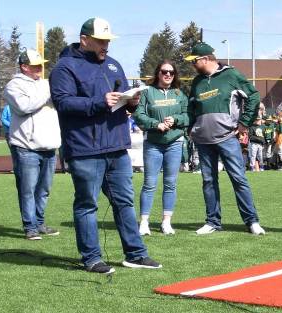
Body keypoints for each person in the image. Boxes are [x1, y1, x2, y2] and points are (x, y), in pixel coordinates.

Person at [50, 17, 161, 273]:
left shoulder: (113, 65)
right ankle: (91, 258)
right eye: (101, 40)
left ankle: (135, 254)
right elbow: (63, 103)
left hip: (116, 146)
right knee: (87, 204)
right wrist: (99, 102)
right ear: (85, 39)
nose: (105, 45)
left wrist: (131, 102)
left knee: (125, 202)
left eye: (108, 41)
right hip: (85, 149)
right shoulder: (64, 68)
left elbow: (119, 100)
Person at [185, 42, 264, 235]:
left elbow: (253, 96)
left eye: (194, 61)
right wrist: (190, 128)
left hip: (227, 138)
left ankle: (252, 221)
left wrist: (245, 122)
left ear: (205, 59)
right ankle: (212, 221)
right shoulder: (197, 82)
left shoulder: (231, 75)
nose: (192, 65)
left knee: (238, 178)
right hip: (203, 141)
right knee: (208, 181)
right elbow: (191, 108)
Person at [5, 49, 61, 240]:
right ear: (24, 66)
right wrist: (46, 95)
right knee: (27, 190)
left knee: (44, 189)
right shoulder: (13, 86)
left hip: (49, 146)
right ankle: (30, 227)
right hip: (25, 147)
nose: (40, 68)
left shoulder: (46, 84)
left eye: (41, 65)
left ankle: (39, 222)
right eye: (35, 65)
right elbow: (23, 106)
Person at [133, 60, 189, 236]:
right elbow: (138, 115)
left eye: (171, 73)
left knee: (170, 183)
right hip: (153, 143)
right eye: (164, 71)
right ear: (158, 73)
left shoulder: (179, 93)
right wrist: (155, 124)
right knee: (149, 183)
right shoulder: (147, 92)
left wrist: (176, 120)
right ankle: (144, 222)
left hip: (175, 142)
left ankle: (166, 222)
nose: (168, 75)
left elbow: (188, 116)